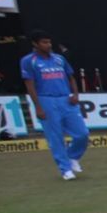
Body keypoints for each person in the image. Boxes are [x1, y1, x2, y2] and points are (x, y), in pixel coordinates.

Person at [22, 29, 90, 180]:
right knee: (55, 137)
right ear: (35, 44)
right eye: (44, 42)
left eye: (49, 42)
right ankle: (65, 169)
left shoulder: (59, 59)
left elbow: (71, 77)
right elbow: (30, 85)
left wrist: (75, 94)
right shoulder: (29, 61)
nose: (48, 45)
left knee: (82, 134)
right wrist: (38, 106)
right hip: (46, 99)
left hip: (65, 99)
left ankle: (72, 156)